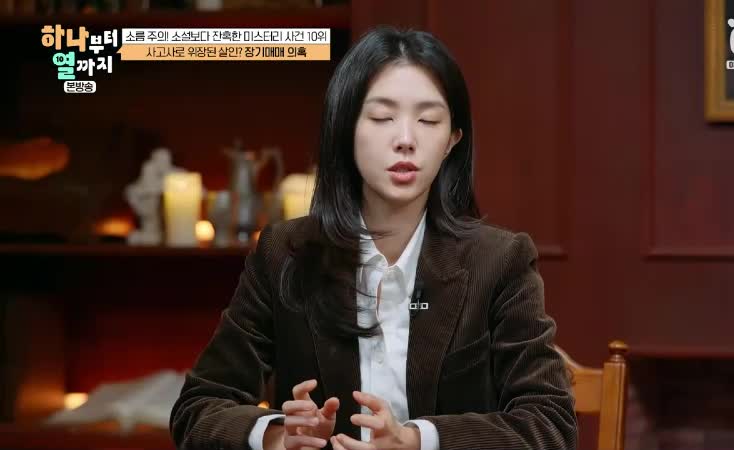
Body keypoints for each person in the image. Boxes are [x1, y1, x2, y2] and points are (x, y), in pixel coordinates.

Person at [169, 26, 577, 450]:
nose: (406, 140)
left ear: (452, 140)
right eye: (382, 118)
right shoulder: (286, 254)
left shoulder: (499, 261)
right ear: (345, 128)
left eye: (428, 120)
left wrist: (417, 441)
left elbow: (550, 424)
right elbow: (198, 408)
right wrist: (277, 437)